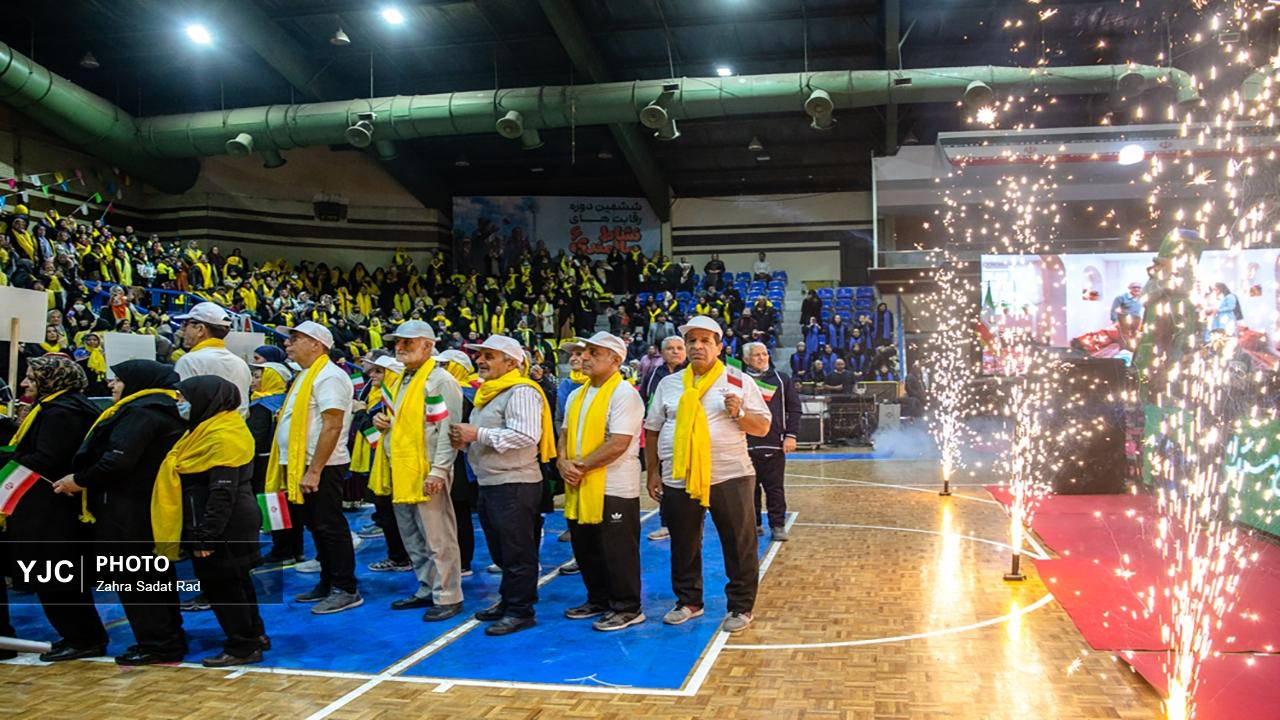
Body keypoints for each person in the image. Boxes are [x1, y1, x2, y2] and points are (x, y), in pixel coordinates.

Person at [643, 315, 771, 634]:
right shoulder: (669, 384)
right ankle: (689, 602)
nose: (697, 346)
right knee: (683, 543)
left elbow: (764, 427)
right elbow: (653, 429)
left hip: (730, 476)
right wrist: (653, 473)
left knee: (738, 544)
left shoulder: (738, 381)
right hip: (678, 477)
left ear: (719, 346)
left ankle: (741, 606)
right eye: (691, 341)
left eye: (705, 341)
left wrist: (739, 412)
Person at [55, 360, 188, 665]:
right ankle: (167, 636)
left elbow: (117, 461)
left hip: (127, 510)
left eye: (118, 380)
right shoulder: (161, 408)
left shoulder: (141, 413)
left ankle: (157, 643)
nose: (111, 385)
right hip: (144, 507)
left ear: (138, 382)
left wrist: (79, 480)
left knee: (134, 577)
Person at [450, 334, 557, 636]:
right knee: (501, 550)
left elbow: (525, 436)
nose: (480, 361)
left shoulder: (520, 391)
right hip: (492, 481)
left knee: (517, 551)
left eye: (489, 356)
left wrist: (476, 435)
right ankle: (509, 600)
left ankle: (521, 610)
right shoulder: (489, 392)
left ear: (511, 362)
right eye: (480, 355)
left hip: (515, 483)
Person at [2, 356, 107, 662]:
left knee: (54, 577)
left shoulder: (60, 412)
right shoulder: (69, 406)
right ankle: (82, 636)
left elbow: (46, 459)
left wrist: (7, 461)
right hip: (54, 507)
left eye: (32, 378)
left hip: (51, 509)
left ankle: (83, 638)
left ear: (51, 381)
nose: (24, 384)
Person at [162, 376, 266, 667]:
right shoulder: (210, 429)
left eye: (185, 399)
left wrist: (206, 536)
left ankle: (242, 647)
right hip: (229, 521)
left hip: (223, 524)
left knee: (224, 587)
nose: (180, 405)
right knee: (239, 583)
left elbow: (222, 492)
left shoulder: (222, 436)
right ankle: (254, 635)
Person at [375, 320, 465, 621]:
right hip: (401, 468)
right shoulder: (402, 380)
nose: (399, 348)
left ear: (427, 346)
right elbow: (405, 420)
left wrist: (439, 470)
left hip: (426, 470)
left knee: (438, 536)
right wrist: (385, 424)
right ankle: (427, 587)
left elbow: (445, 431)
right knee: (413, 535)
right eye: (397, 343)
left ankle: (449, 595)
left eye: (407, 343)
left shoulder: (439, 381)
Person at [269, 321, 361, 614]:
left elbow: (333, 425)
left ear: (316, 344)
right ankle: (327, 579)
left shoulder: (329, 376)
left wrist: (315, 469)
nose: (287, 344)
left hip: (320, 464)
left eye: (294, 338)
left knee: (329, 525)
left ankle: (345, 587)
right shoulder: (306, 376)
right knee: (315, 526)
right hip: (301, 463)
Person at [557, 332, 646, 631]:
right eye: (585, 352)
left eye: (594, 352)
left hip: (615, 486)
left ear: (616, 360)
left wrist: (578, 466)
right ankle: (598, 599)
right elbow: (565, 435)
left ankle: (628, 607)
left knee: (617, 550)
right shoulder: (575, 395)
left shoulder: (625, 395)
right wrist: (562, 461)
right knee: (586, 547)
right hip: (580, 483)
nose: (585, 357)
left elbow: (619, 442)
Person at [741, 342, 800, 542]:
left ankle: (777, 525)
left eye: (764, 354)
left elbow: (795, 409)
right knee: (749, 488)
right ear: (745, 359)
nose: (762, 358)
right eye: (756, 355)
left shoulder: (782, 380)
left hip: (774, 443)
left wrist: (791, 435)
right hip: (744, 444)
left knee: (774, 488)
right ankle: (754, 523)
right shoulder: (737, 380)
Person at [247, 360, 303, 566]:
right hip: (286, 460)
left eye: (258, 376)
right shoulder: (287, 400)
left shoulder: (263, 406)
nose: (253, 381)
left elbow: (255, 439)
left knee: (274, 506)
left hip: (266, 464)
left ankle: (282, 550)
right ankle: (296, 549)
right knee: (290, 506)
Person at [173, 302, 253, 417]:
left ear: (200, 329)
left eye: (186, 324)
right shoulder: (240, 363)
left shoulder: (190, 361)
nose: (183, 330)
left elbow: (184, 409)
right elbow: (244, 409)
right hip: (236, 430)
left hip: (204, 432)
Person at [1111, 281, 1144, 348]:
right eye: (1134, 287)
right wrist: (1115, 320)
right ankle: (1124, 350)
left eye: (1139, 287)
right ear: (1130, 288)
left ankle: (1132, 349)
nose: (1137, 289)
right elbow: (1114, 309)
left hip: (1136, 319)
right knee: (1124, 336)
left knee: (1135, 335)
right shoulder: (1121, 297)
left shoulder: (1141, 298)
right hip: (1124, 319)